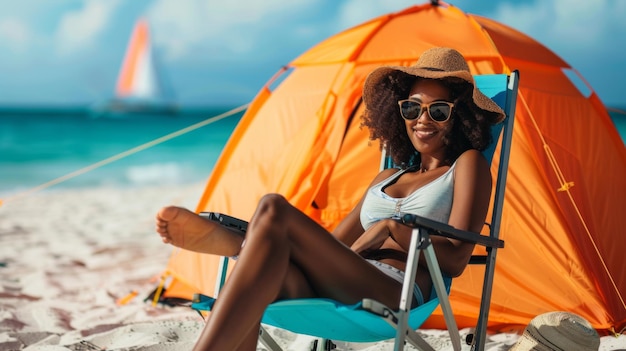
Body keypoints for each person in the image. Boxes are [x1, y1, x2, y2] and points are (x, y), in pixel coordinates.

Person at [155, 47, 505, 351]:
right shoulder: (387, 177)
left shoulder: (466, 164)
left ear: (459, 117)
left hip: (396, 290)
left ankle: (239, 244)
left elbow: (457, 258)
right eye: (412, 109)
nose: (422, 120)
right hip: (345, 276)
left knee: (273, 207)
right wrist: (371, 234)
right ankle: (245, 247)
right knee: (267, 271)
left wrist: (391, 228)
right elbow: (336, 245)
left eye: (438, 110)